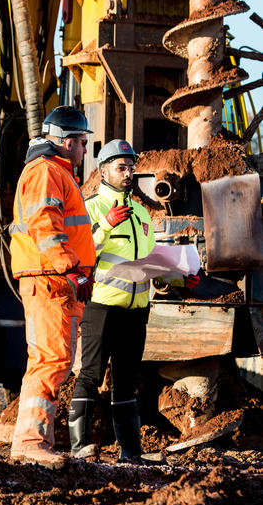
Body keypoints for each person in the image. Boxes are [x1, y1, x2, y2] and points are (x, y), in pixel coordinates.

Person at [68, 139, 199, 463]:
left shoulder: (141, 212)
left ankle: (131, 452)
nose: (128, 173)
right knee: (91, 375)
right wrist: (104, 226)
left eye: (131, 167)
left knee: (126, 381)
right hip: (102, 306)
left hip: (137, 310)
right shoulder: (92, 208)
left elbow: (150, 261)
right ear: (103, 172)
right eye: (121, 167)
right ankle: (78, 447)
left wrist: (180, 277)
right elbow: (78, 254)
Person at [9, 106, 96, 469]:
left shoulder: (54, 171)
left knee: (52, 359)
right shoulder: (46, 171)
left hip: (54, 278)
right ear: (66, 141)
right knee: (49, 360)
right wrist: (70, 267)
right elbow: (45, 223)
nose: (84, 150)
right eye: (81, 142)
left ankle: (35, 441)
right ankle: (30, 443)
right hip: (50, 278)